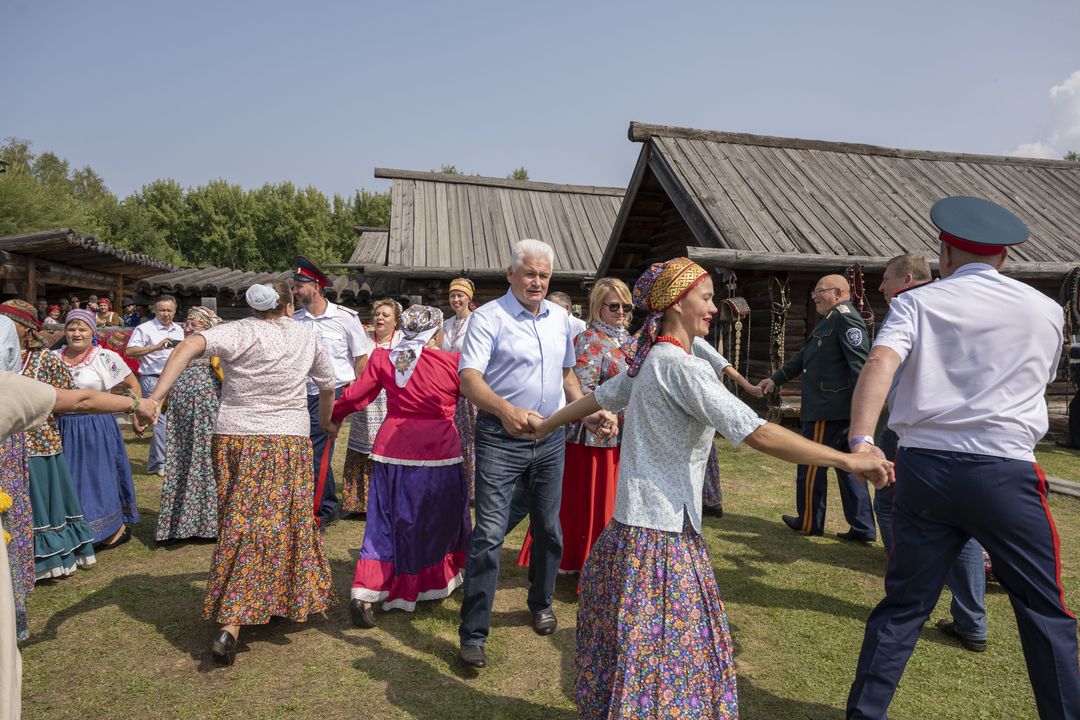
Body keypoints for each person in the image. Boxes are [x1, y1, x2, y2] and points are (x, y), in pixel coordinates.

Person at [524, 257, 890, 719]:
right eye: (707, 297)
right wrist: (848, 460)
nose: (714, 308)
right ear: (677, 303)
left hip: (632, 529)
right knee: (670, 657)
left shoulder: (651, 360)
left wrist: (545, 425)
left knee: (643, 648)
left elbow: (601, 396)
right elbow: (758, 432)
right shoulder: (680, 367)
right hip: (662, 537)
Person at [844, 196, 1080, 719]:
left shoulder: (917, 302)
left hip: (926, 468)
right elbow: (1041, 378)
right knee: (1045, 611)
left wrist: (862, 438)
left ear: (945, 254)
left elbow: (880, 362)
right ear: (1004, 257)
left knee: (904, 606)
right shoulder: (1045, 309)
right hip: (1006, 470)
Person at [148, 281, 337, 665]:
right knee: (281, 522)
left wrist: (155, 397)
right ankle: (236, 616)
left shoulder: (238, 331)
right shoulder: (306, 335)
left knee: (242, 520)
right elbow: (328, 384)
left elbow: (187, 346)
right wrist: (325, 420)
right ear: (288, 306)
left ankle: (254, 606)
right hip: (288, 440)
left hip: (236, 438)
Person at [456, 238, 616, 670]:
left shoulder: (560, 318)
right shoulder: (488, 318)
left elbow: (568, 378)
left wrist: (586, 413)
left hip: (550, 439)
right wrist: (504, 410)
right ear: (511, 274)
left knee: (549, 529)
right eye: (529, 273)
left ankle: (541, 602)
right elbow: (469, 380)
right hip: (499, 436)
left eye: (544, 275)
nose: (537, 282)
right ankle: (473, 633)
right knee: (489, 535)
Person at [1, 333, 159, 720]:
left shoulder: (59, 365)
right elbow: (80, 400)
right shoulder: (8, 387)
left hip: (82, 433)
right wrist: (138, 405)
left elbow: (85, 398)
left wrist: (136, 399)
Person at [872, 254, 988, 652]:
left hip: (912, 430)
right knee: (961, 524)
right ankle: (971, 621)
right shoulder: (964, 303)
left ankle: (907, 599)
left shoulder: (910, 304)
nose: (881, 287)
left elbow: (884, 364)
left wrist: (863, 430)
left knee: (889, 505)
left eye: (886, 279)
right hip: (964, 431)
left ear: (906, 279)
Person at [329, 305, 471, 625]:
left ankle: (367, 590)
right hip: (440, 451)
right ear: (436, 333)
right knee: (440, 519)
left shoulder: (385, 358)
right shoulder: (453, 363)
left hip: (393, 449)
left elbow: (356, 395)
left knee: (386, 520)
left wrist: (334, 415)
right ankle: (433, 576)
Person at [516, 277, 632, 574]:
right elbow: (582, 389)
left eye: (626, 306)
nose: (621, 312)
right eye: (614, 306)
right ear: (598, 307)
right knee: (592, 503)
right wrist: (607, 414)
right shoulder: (590, 340)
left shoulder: (629, 341)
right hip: (595, 436)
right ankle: (586, 562)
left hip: (625, 435)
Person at [757, 274, 876, 541]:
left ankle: (809, 522)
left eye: (818, 292)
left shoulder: (845, 319)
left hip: (828, 410)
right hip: (833, 410)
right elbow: (804, 358)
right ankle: (863, 528)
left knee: (810, 463)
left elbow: (860, 367)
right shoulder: (830, 319)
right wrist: (775, 379)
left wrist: (863, 413)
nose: (814, 297)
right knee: (850, 469)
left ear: (837, 293)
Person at [0, 301, 95, 583]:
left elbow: (67, 396)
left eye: (9, 322)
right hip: (7, 445)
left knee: (40, 503)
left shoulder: (46, 359)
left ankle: (49, 560)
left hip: (39, 444)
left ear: (27, 329)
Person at [291, 255, 373, 528]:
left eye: (299, 285)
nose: (295, 290)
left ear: (315, 286)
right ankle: (324, 505)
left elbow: (360, 359)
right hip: (301, 392)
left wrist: (355, 397)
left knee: (318, 450)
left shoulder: (345, 318)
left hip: (334, 392)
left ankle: (320, 512)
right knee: (305, 450)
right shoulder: (295, 321)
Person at [55, 309, 141, 549]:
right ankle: (70, 530)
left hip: (95, 426)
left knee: (96, 479)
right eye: (71, 329)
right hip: (61, 427)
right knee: (66, 480)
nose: (76, 333)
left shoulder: (104, 357)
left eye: (82, 329)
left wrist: (137, 414)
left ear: (92, 332)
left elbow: (133, 384)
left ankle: (107, 531)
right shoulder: (53, 358)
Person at [154, 307, 223, 543]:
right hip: (180, 422)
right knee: (180, 463)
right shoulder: (180, 352)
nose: (187, 328)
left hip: (206, 421)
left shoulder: (217, 355)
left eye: (194, 325)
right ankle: (178, 525)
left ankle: (209, 525)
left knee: (205, 464)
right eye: (186, 324)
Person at [341, 298, 401, 517]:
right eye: (377, 314)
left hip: (391, 401)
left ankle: (388, 503)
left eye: (385, 315)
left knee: (388, 450)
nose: (380, 318)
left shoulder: (402, 341)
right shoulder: (363, 340)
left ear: (395, 321)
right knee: (362, 449)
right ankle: (360, 504)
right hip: (366, 402)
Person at [126, 296, 184, 476]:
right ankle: (161, 463)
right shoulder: (145, 329)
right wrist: (155, 347)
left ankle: (155, 463)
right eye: (162, 310)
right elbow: (130, 351)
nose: (166, 314)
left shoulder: (179, 330)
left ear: (174, 311)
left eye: (169, 310)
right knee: (159, 421)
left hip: (176, 378)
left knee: (172, 420)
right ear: (155, 311)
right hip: (153, 378)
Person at [442, 278, 478, 498]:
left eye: (460, 295)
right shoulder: (446, 324)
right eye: (452, 296)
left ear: (469, 298)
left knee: (471, 435)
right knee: (453, 434)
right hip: (448, 386)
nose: (456, 300)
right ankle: (456, 482)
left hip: (470, 386)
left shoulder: (477, 321)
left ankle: (474, 485)